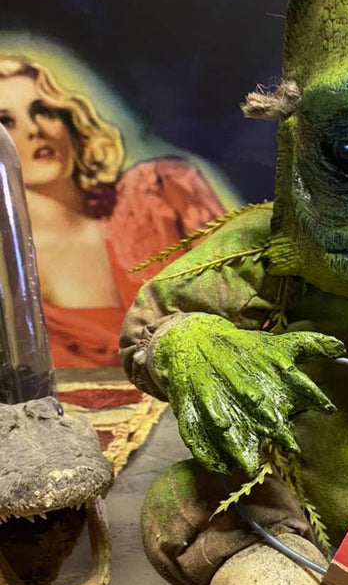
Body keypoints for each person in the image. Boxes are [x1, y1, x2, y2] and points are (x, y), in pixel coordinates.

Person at [0, 54, 226, 368]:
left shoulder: (164, 192)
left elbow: (250, 304)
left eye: (44, 111)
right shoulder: (8, 270)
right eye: (6, 121)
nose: (35, 130)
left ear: (68, 118)